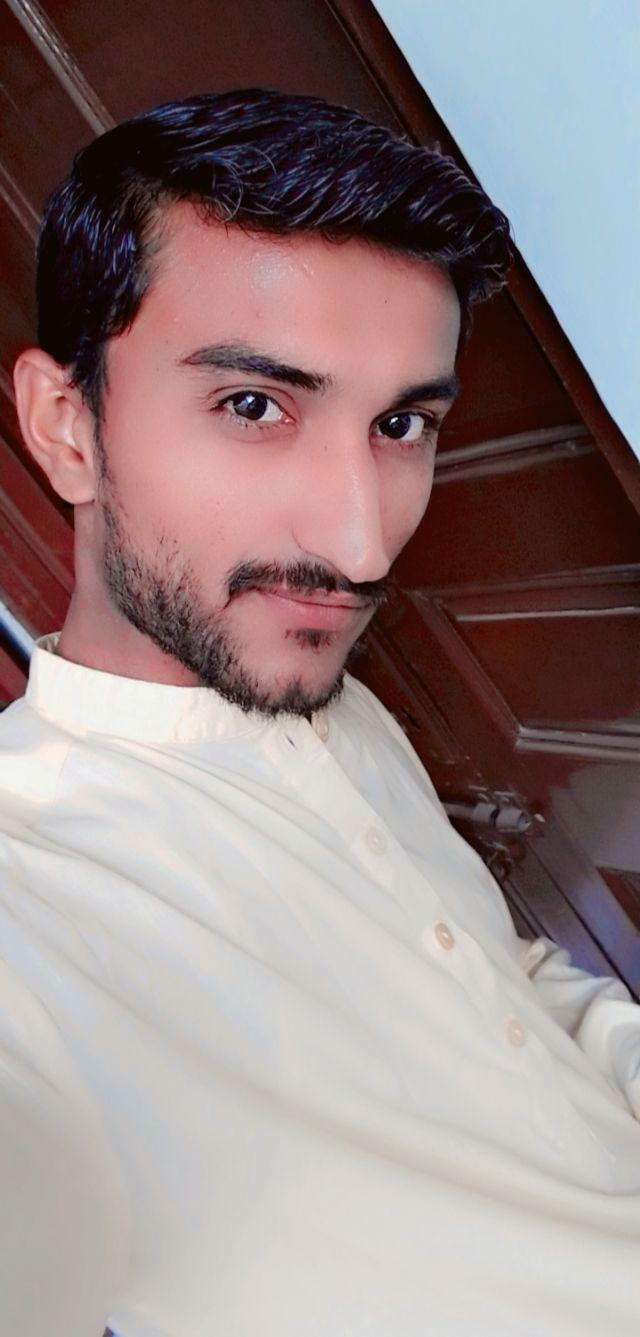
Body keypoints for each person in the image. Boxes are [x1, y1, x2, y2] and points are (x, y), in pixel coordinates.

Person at [1, 87, 638, 1337]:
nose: (359, 545)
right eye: (255, 405)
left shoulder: (331, 702)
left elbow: (501, 974)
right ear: (67, 429)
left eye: (402, 423)